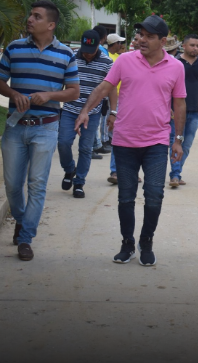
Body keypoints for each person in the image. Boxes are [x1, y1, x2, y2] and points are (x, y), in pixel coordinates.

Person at [75, 15, 186, 266]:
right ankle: (128, 243)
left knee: (154, 194)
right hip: (124, 141)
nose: (142, 40)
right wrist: (85, 111)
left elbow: (179, 104)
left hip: (157, 142)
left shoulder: (175, 67)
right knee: (126, 196)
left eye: (149, 36)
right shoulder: (125, 60)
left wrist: (177, 140)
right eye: (140, 35)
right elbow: (105, 87)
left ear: (162, 40)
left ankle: (146, 241)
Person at [0, 0, 80, 261]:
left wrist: (49, 95)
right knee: (12, 185)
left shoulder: (66, 55)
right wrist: (13, 93)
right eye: (31, 15)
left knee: (37, 185)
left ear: (50, 25)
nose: (30, 19)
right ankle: (21, 219)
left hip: (46, 128)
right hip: (15, 127)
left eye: (37, 16)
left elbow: (74, 92)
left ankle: (25, 237)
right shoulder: (14, 48)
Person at [57, 30, 116, 198]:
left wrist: (113, 112)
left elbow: (111, 89)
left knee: (85, 148)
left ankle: (79, 182)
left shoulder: (107, 63)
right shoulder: (72, 58)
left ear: (98, 46)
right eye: (84, 50)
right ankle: (70, 170)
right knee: (63, 143)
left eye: (91, 51)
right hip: (70, 109)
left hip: (93, 112)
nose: (87, 55)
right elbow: (61, 83)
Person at [168, 34, 198, 187]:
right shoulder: (175, 62)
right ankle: (175, 174)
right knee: (176, 141)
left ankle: (177, 171)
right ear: (184, 46)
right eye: (192, 45)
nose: (195, 48)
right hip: (176, 110)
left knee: (186, 145)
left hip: (194, 111)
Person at [106, 32, 126, 185]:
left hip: (127, 101)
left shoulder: (122, 58)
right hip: (115, 100)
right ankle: (115, 171)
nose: (122, 45)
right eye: (119, 43)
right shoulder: (110, 58)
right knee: (117, 135)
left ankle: (128, 171)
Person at [91, 25, 111, 157]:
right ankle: (94, 146)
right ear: (104, 38)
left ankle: (96, 144)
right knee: (94, 121)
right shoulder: (103, 51)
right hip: (98, 92)